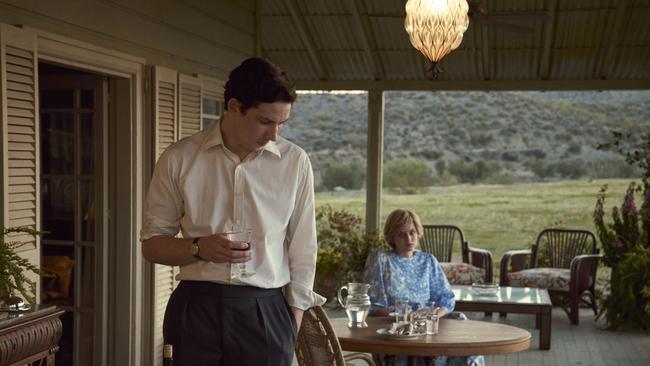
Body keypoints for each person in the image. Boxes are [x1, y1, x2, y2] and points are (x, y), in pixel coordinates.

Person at [141, 57, 325, 366]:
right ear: (234, 106)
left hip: (267, 311)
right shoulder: (179, 158)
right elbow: (152, 245)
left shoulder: (295, 162)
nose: (274, 135)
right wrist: (199, 248)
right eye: (266, 122)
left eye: (282, 123)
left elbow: (304, 249)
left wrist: (290, 322)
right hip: (194, 310)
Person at [363, 209, 484, 366]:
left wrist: (433, 316)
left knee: (467, 340)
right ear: (392, 236)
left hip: (430, 326)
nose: (409, 238)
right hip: (398, 332)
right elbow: (372, 306)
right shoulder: (380, 260)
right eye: (401, 234)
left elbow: (446, 298)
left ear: (418, 232)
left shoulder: (428, 261)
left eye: (412, 232)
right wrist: (406, 318)